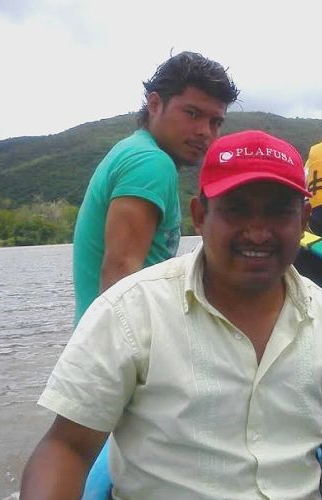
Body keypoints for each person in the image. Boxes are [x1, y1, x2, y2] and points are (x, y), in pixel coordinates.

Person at [21, 130, 322, 500]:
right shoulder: (131, 311)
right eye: (236, 210)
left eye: (279, 212)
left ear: (303, 220)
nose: (258, 232)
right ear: (199, 216)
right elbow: (67, 448)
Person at [72, 51, 239, 324]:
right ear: (154, 104)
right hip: (116, 351)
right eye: (192, 113)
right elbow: (119, 274)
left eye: (215, 122)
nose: (205, 132)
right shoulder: (150, 164)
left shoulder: (133, 151)